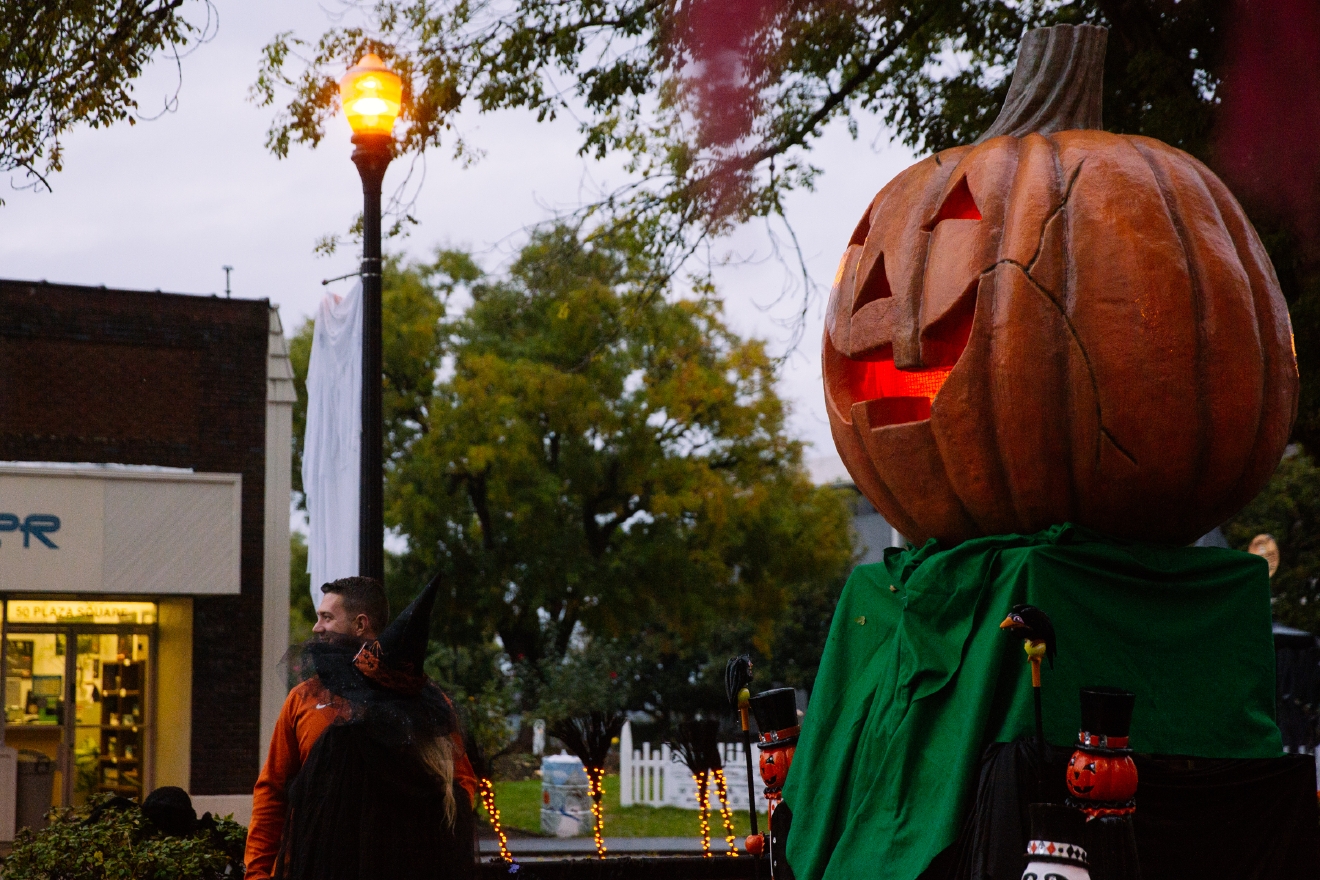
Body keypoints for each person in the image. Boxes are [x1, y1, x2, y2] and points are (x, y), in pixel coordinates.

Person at [244, 577, 476, 880]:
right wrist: (257, 873)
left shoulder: (423, 703)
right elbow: (272, 789)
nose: (316, 628)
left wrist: (428, 837)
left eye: (326, 617)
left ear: (361, 623)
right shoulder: (304, 698)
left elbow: (462, 782)